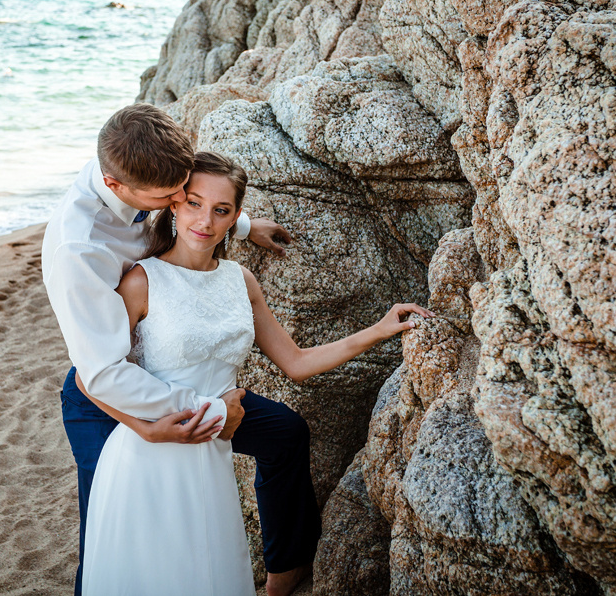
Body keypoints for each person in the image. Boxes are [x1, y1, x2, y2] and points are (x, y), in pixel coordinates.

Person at [80, 152, 434, 595]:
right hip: (153, 443)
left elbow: (296, 362)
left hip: (217, 438)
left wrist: (378, 331)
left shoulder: (240, 280)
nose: (204, 221)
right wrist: (146, 429)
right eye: (194, 203)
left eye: (221, 210)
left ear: (235, 217)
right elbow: (89, 377)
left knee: (210, 562)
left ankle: (285, 569)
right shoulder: (140, 282)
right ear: (173, 204)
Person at [41, 104, 317, 596]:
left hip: (174, 376)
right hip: (107, 390)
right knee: (110, 534)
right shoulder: (78, 248)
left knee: (286, 434)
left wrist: (243, 225)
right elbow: (99, 373)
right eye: (169, 196)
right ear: (116, 185)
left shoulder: (135, 166)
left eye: (180, 191)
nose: (176, 201)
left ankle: (289, 564)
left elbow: (196, 205)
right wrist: (200, 415)